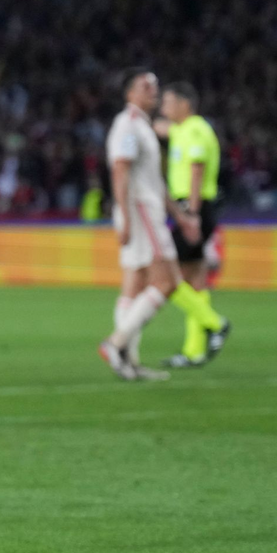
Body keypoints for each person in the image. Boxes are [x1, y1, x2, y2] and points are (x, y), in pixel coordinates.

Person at [98, 69, 230, 381]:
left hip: (146, 209)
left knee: (135, 283)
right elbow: (120, 169)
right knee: (168, 281)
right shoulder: (129, 125)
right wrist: (125, 216)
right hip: (142, 212)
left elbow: (154, 179)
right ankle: (117, 343)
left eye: (155, 87)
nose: (154, 92)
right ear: (130, 93)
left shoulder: (143, 125)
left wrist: (182, 216)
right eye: (146, 87)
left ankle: (127, 361)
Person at [155, 82, 223, 368]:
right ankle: (194, 351)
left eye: (168, 102)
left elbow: (197, 171)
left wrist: (192, 215)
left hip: (194, 208)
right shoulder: (182, 129)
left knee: (167, 277)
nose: (163, 107)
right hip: (190, 208)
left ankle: (215, 323)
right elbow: (160, 128)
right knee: (195, 280)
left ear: (185, 104)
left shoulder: (196, 130)